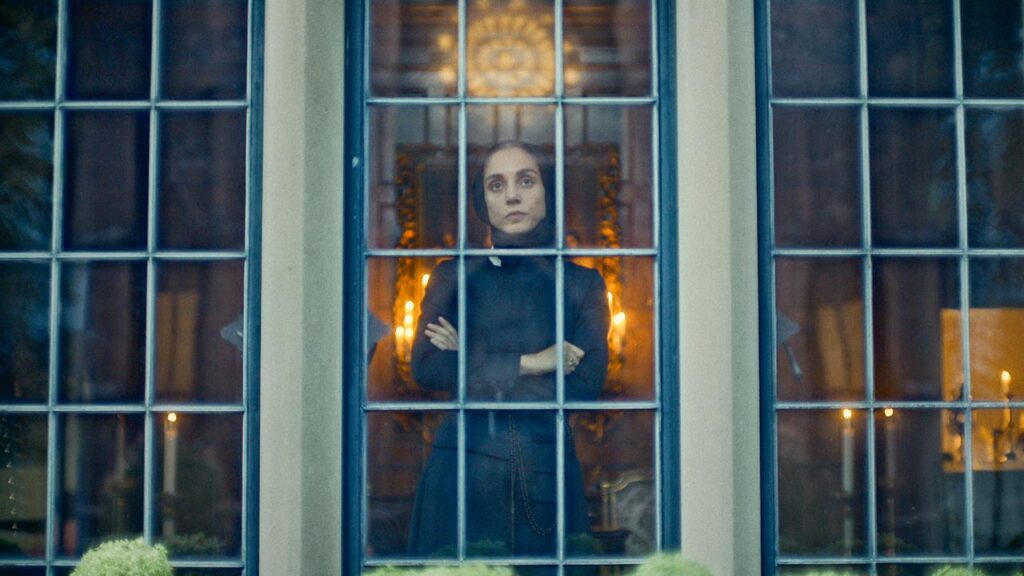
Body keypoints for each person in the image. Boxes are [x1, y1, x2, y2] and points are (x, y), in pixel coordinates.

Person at [407, 141, 610, 562]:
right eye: (496, 185)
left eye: (526, 181)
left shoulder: (582, 284)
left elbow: (585, 386)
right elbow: (428, 367)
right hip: (462, 469)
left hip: (544, 469)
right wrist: (535, 363)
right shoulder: (453, 276)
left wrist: (470, 358)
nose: (512, 196)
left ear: (548, 191)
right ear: (482, 201)